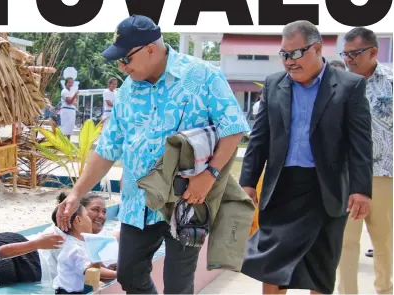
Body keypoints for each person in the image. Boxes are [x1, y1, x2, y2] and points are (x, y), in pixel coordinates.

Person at [56, 15, 250, 294]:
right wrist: (75, 195)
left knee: (177, 285)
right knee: (129, 274)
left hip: (187, 200)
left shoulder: (202, 76)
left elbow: (233, 128)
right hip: (138, 203)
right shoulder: (126, 92)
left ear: (150, 49)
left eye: (126, 59)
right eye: (119, 61)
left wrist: (211, 174)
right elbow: (107, 149)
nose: (122, 67)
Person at [239, 20, 373, 295]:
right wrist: (248, 182)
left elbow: (360, 144)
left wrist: (361, 189)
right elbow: (260, 138)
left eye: (296, 53)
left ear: (317, 48)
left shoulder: (350, 86)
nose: (289, 61)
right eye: (284, 55)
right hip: (281, 190)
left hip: (326, 191)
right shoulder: (274, 84)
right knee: (271, 264)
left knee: (321, 268)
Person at [337, 27, 393, 295]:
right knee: (345, 241)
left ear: (373, 51)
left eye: (355, 53)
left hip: (383, 174)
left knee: (382, 241)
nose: (349, 59)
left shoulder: (391, 82)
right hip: (346, 175)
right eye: (346, 54)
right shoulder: (338, 85)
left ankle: (384, 290)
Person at [39, 193, 119, 282]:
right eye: (95, 210)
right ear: (77, 217)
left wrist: (107, 265)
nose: (101, 216)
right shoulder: (61, 238)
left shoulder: (78, 236)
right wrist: (120, 274)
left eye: (104, 212)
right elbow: (90, 271)